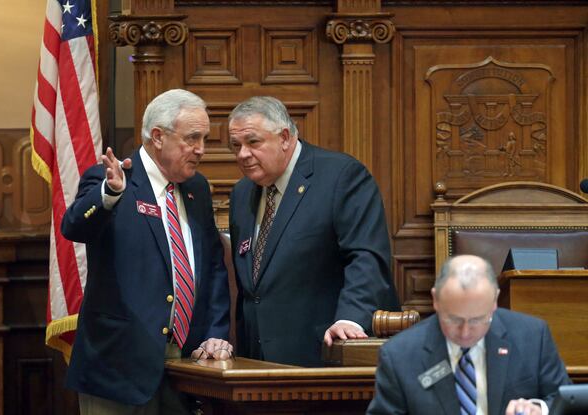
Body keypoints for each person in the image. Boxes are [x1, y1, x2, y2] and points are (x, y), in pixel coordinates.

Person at [62, 89, 232, 414]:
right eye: (192, 138)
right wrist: (109, 194)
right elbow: (73, 227)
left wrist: (215, 334)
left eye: (205, 139)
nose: (201, 150)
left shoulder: (197, 189)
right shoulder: (112, 179)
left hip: (186, 370)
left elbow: (213, 270)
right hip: (118, 368)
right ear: (158, 136)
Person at [228, 96, 399, 367]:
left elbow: (366, 256)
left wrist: (350, 318)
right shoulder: (242, 193)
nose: (242, 154)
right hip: (255, 361)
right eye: (236, 146)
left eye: (253, 142)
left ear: (284, 137)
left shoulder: (341, 176)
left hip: (322, 352)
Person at [367, 254, 571, 415]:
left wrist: (540, 409)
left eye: (477, 320)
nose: (465, 333)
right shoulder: (399, 355)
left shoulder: (532, 337)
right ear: (436, 300)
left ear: (494, 302)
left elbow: (566, 401)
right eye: (453, 319)